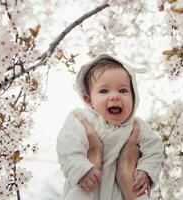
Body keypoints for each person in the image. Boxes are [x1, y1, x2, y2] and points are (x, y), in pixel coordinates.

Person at [57, 53, 163, 200]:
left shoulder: (137, 126)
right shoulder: (81, 118)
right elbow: (67, 146)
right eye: (104, 91)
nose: (115, 96)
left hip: (121, 194)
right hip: (88, 187)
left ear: (134, 97)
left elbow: (155, 149)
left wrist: (146, 171)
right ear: (89, 100)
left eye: (123, 90)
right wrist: (80, 169)